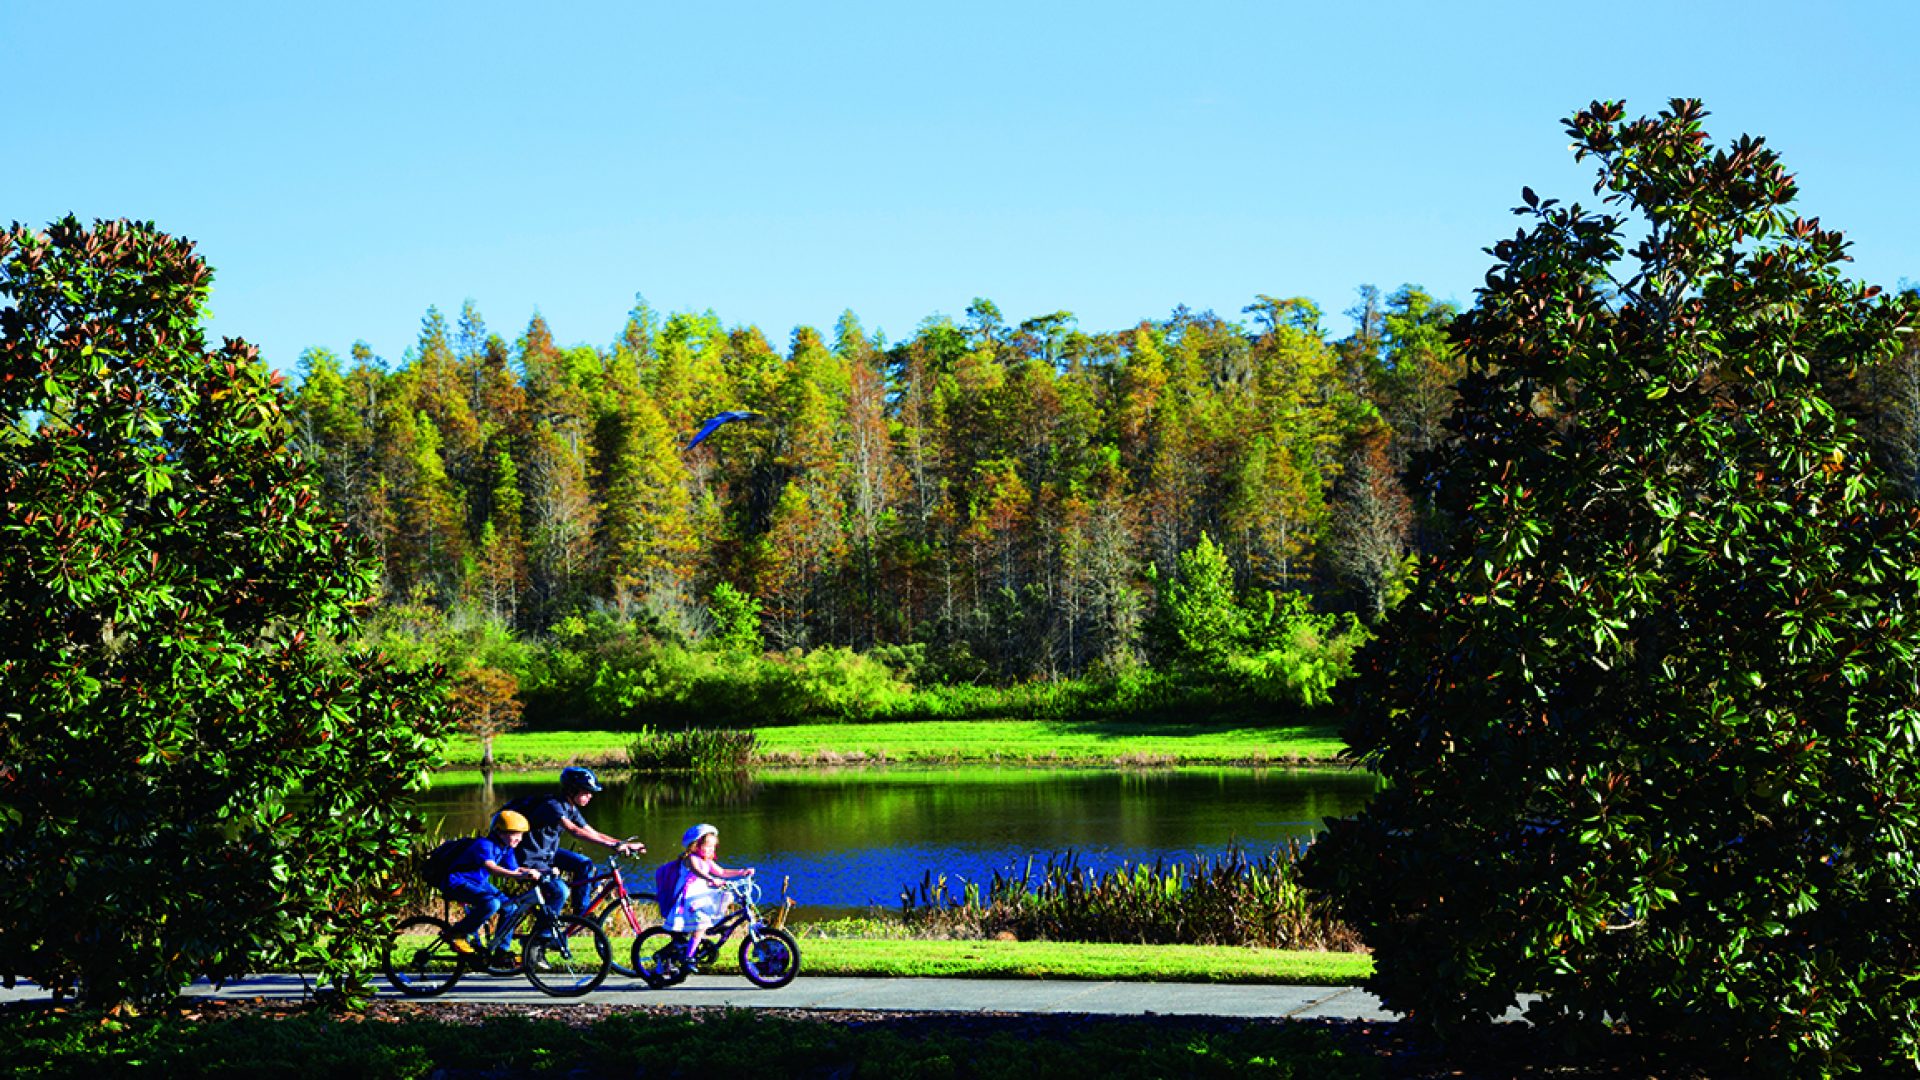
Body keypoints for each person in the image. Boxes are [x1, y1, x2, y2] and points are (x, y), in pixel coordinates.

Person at [504, 766, 643, 922]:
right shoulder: (553, 806)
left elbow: (593, 833)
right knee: (559, 890)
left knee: (584, 864)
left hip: (547, 854)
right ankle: (543, 934)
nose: (590, 796)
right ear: (572, 790)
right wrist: (611, 846)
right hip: (530, 857)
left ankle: (581, 913)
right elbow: (574, 831)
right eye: (586, 792)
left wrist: (623, 844)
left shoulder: (570, 808)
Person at [436, 809, 545, 959]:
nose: (519, 838)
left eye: (521, 834)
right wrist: (517, 875)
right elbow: (491, 868)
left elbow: (515, 869)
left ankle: (501, 951)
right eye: (514, 833)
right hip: (456, 882)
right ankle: (456, 933)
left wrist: (542, 871)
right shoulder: (484, 845)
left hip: (479, 883)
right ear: (500, 832)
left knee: (511, 907)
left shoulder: (506, 848)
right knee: (491, 904)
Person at [663, 822, 754, 971]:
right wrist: (710, 879)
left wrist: (742, 872)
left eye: (713, 847)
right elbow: (697, 871)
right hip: (689, 897)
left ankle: (714, 928)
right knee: (699, 927)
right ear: (695, 845)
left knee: (725, 896)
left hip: (700, 894)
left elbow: (722, 872)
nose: (710, 849)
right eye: (707, 846)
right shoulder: (691, 858)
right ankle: (689, 957)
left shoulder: (707, 861)